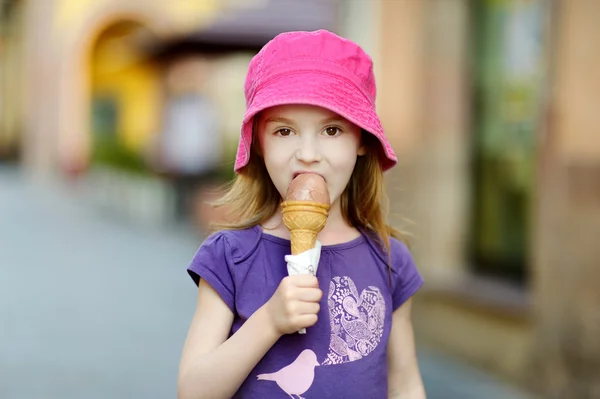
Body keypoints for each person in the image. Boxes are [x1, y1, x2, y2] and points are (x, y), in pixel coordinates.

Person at [178, 30, 426, 399]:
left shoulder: (390, 260)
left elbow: (404, 383)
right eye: (284, 130)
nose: (307, 153)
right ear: (259, 144)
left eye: (331, 129)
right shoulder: (229, 257)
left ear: (360, 140)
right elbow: (193, 392)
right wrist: (270, 321)